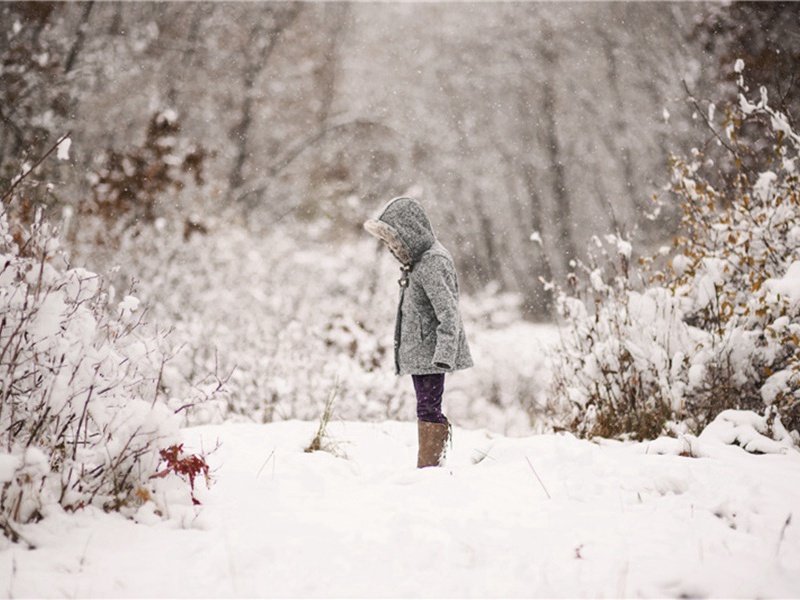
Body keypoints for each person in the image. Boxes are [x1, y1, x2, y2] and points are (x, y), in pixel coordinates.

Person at [364, 196, 473, 468]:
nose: (392, 248)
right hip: (422, 352)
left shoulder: (433, 262)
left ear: (411, 231)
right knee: (425, 407)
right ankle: (431, 461)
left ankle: (430, 466)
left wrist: (445, 354)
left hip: (432, 355)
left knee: (427, 408)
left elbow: (448, 311)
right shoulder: (419, 262)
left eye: (395, 240)